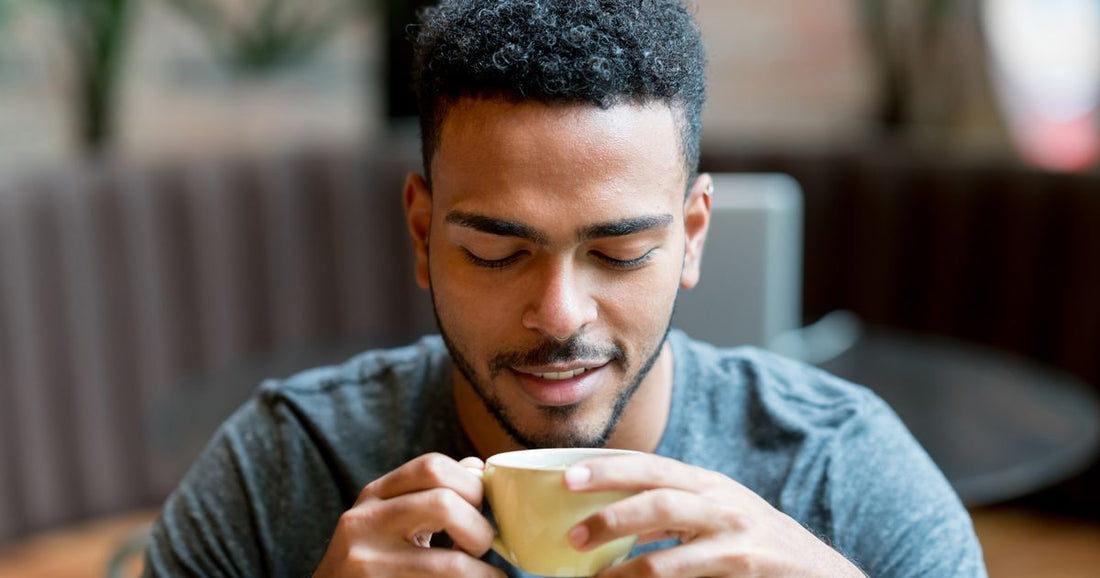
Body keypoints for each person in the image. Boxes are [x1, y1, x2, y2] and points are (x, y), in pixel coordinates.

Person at [143, 1, 988, 576]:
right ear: (422, 235)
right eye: (495, 253)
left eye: (620, 253)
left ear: (692, 236)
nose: (558, 314)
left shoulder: (838, 473)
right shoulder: (284, 467)